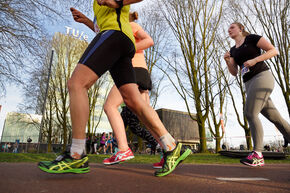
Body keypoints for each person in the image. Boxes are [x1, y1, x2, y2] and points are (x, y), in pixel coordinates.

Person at [38, 0, 191, 177]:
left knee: (77, 84)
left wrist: (117, 1)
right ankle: (171, 145)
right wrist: (87, 20)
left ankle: (76, 153)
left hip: (116, 36)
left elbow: (114, 21)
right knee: (133, 101)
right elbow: (102, 27)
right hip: (119, 39)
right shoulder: (97, 6)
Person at [224, 22, 290, 167]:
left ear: (241, 29)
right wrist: (228, 61)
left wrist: (255, 60)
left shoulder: (252, 39)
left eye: (232, 27)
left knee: (250, 113)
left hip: (262, 77)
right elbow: (234, 73)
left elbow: (273, 51)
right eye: (228, 29)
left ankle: (257, 154)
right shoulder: (232, 50)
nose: (229, 30)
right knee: (276, 118)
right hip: (249, 84)